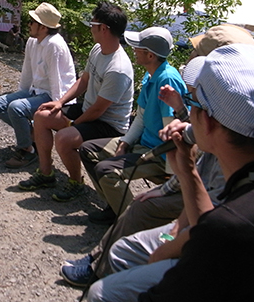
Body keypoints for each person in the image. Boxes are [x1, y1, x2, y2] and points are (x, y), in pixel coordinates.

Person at [52, 43, 254, 302]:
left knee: (102, 295)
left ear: (206, 120)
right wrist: (187, 170)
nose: (186, 114)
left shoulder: (233, 230)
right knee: (124, 256)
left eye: (191, 105)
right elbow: (210, 227)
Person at [17, 2, 134, 202]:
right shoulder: (98, 50)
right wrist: (60, 102)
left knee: (64, 137)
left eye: (93, 24)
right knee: (42, 116)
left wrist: (72, 125)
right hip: (90, 110)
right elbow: (84, 80)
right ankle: (46, 174)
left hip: (109, 124)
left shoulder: (118, 67)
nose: (90, 27)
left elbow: (99, 110)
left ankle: (75, 183)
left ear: (103, 29)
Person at [79, 27, 187, 225]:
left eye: (138, 47)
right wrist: (125, 143)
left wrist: (172, 177)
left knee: (107, 170)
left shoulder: (167, 79)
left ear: (150, 55)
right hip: (143, 143)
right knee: (88, 149)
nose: (133, 50)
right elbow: (141, 118)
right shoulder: (150, 75)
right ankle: (115, 206)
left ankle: (133, 223)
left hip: (159, 154)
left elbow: (173, 131)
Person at [0, 3, 76, 168]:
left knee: (16, 108)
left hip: (52, 95)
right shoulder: (32, 41)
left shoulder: (54, 45)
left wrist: (58, 107)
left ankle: (27, 149)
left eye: (32, 21)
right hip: (35, 91)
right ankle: (32, 135)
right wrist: (20, 94)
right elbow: (27, 72)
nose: (28, 24)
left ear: (43, 27)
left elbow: (56, 79)